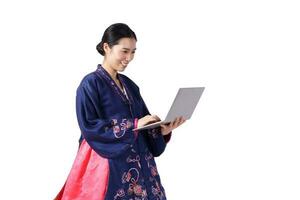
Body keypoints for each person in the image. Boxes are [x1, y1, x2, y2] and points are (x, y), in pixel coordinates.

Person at [54, 23, 186, 200]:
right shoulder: (90, 84)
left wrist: (161, 131)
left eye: (133, 52)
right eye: (124, 51)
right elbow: (90, 126)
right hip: (110, 166)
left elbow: (143, 125)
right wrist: (134, 124)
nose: (129, 57)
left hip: (141, 166)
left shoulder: (130, 86)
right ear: (107, 47)